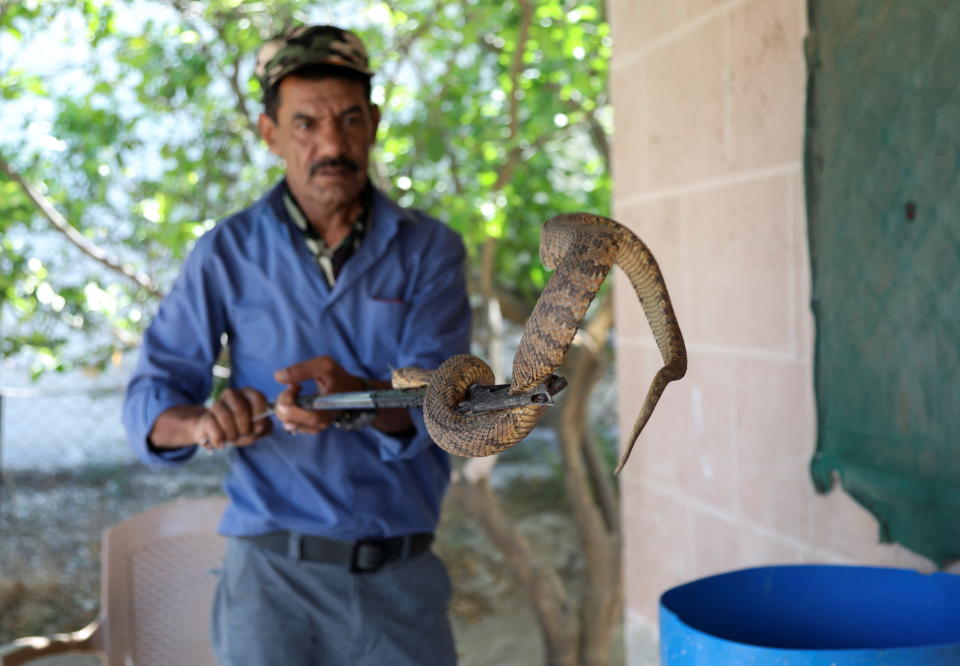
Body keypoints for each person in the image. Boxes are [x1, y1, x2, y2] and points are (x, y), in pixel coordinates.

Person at [122, 24, 470, 666]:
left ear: (374, 122)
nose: (331, 144)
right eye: (305, 124)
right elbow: (149, 403)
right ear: (270, 134)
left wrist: (357, 400)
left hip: (400, 585)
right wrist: (205, 420)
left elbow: (446, 408)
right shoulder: (225, 253)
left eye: (348, 119)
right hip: (268, 585)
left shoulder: (431, 250)